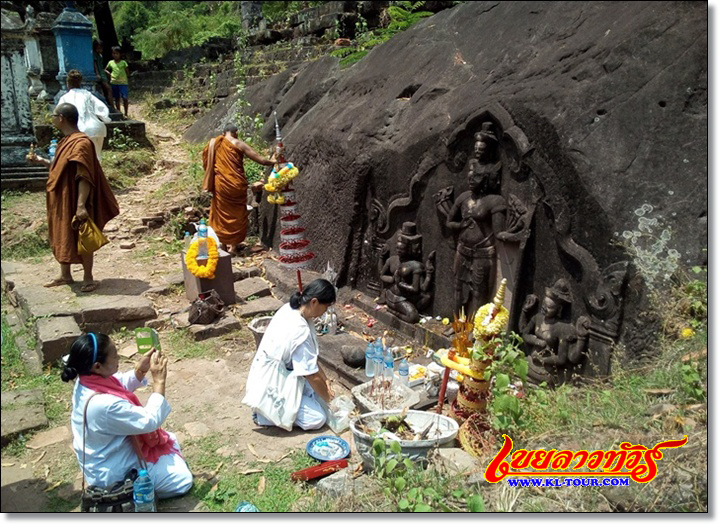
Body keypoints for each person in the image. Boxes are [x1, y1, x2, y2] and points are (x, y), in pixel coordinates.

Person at [61, 332, 193, 498]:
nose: (119, 359)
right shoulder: (104, 405)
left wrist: (140, 370)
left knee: (171, 439)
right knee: (182, 480)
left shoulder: (86, 379)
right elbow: (149, 420)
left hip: (106, 456)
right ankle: (130, 493)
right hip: (112, 472)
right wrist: (159, 382)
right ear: (97, 366)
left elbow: (119, 382)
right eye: (115, 356)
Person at [26, 103, 120, 293]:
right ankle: (65, 274)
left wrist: (81, 205)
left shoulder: (81, 143)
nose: (52, 119)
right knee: (61, 233)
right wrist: (41, 161)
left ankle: (88, 277)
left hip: (75, 197)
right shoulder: (65, 141)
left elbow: (84, 176)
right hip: (61, 197)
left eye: (53, 116)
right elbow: (59, 167)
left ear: (61, 118)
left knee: (82, 234)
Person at [242, 279, 337, 431]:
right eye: (325, 307)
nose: (325, 312)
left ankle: (270, 409)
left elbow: (311, 361)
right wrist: (329, 401)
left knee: (316, 391)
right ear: (314, 302)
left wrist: (325, 382)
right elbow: (311, 375)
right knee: (318, 418)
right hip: (272, 381)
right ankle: (264, 415)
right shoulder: (300, 330)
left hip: (270, 370)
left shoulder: (290, 308)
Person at [202, 124, 276, 256]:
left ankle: (223, 246)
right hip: (236, 185)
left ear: (224, 133)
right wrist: (273, 160)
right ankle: (233, 247)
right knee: (237, 214)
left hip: (221, 185)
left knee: (220, 214)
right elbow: (262, 160)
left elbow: (207, 164)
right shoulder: (238, 143)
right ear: (236, 132)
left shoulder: (214, 143)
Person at [56, 69, 110, 160]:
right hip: (97, 129)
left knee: (84, 161)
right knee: (97, 159)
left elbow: (58, 114)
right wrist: (105, 119)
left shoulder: (65, 98)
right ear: (80, 82)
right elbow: (102, 109)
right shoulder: (88, 94)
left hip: (80, 131)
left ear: (67, 83)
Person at [105, 46, 130, 117]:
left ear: (120, 54)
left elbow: (127, 71)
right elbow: (105, 69)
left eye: (116, 53)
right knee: (117, 98)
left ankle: (126, 113)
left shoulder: (123, 62)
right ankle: (119, 112)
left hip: (123, 83)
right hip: (114, 82)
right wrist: (109, 73)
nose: (115, 55)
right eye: (113, 53)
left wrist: (128, 76)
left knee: (125, 98)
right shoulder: (111, 62)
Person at [92, 40, 114, 109]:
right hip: (100, 75)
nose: (100, 50)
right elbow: (95, 65)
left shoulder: (100, 55)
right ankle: (112, 106)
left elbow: (100, 65)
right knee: (109, 89)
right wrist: (98, 74)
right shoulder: (94, 55)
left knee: (106, 90)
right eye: (98, 48)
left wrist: (106, 71)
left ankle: (110, 105)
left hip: (102, 74)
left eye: (101, 48)